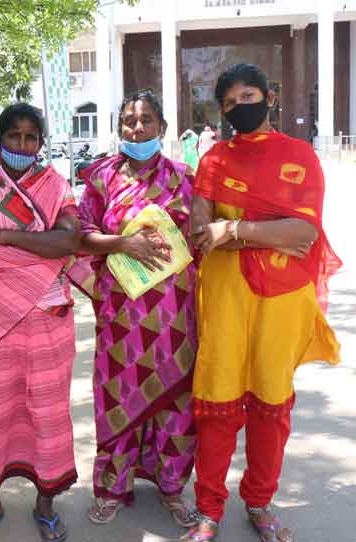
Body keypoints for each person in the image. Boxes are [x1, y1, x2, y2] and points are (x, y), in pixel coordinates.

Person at [182, 63, 341, 542]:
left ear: (269, 97)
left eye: (247, 96)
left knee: (272, 403)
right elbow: (199, 232)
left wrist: (234, 228)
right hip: (227, 297)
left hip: (282, 301)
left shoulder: (301, 156)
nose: (239, 108)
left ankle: (259, 501)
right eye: (229, 104)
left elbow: (305, 232)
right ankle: (209, 509)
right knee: (217, 401)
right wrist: (269, 232)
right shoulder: (214, 159)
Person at [69, 89, 199, 528]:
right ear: (119, 127)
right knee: (117, 396)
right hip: (121, 313)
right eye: (129, 120)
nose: (137, 127)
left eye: (146, 120)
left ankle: (172, 487)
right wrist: (125, 242)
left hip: (174, 315)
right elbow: (82, 235)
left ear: (162, 127)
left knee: (176, 400)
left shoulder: (184, 177)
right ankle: (111, 486)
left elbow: (198, 239)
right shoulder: (102, 177)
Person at [0, 103, 80, 542]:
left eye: (31, 138)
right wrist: (43, 253)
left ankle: (46, 504)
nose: (22, 146)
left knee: (47, 415)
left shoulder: (55, 184)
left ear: (41, 143)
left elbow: (69, 239)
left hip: (47, 322)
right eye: (14, 137)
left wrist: (7, 238)